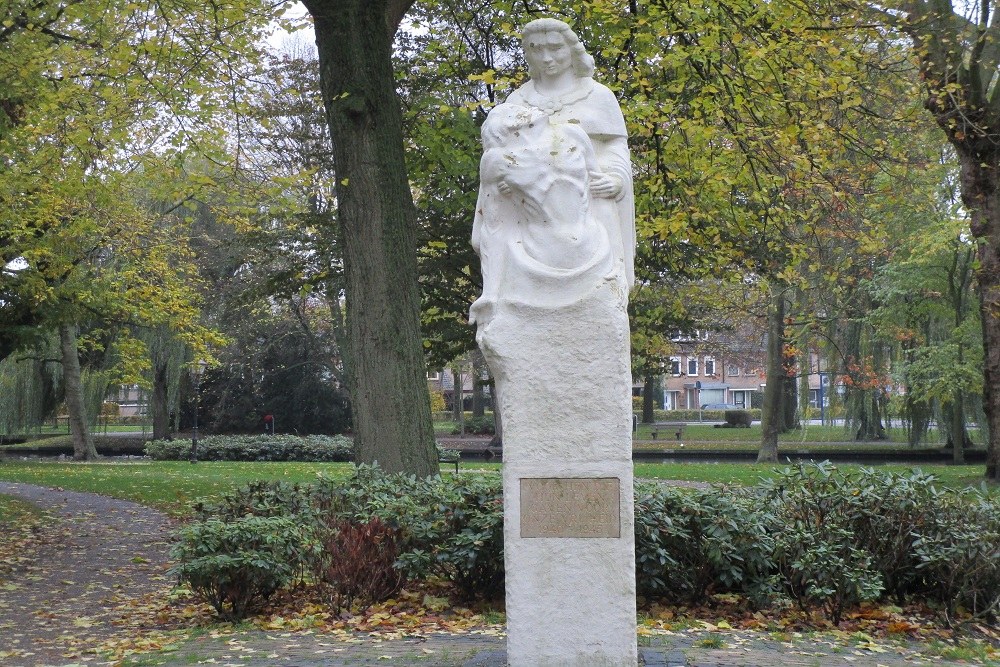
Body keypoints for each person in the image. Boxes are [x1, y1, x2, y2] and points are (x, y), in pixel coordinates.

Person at [506, 18, 635, 286]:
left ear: (571, 49)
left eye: (555, 48)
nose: (546, 57)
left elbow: (614, 146)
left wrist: (616, 178)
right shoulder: (518, 101)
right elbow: (505, 153)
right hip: (532, 213)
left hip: (591, 201)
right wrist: (507, 179)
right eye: (537, 50)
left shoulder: (598, 96)